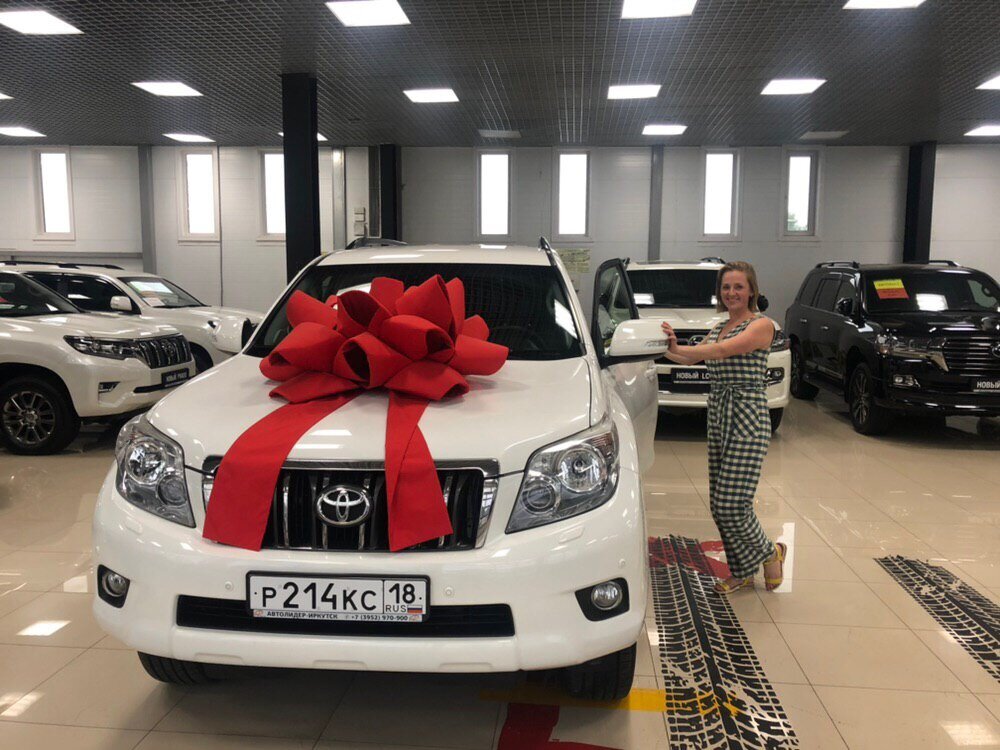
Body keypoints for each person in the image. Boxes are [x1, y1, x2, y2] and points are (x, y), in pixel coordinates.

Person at [660, 261, 786, 593]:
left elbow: (721, 351)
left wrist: (679, 348)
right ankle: (741, 570)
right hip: (719, 414)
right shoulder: (719, 327)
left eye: (738, 286)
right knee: (719, 503)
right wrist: (666, 346)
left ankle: (771, 552)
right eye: (726, 287)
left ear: (752, 290)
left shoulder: (761, 325)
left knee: (732, 503)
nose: (731, 293)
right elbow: (691, 358)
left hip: (747, 415)